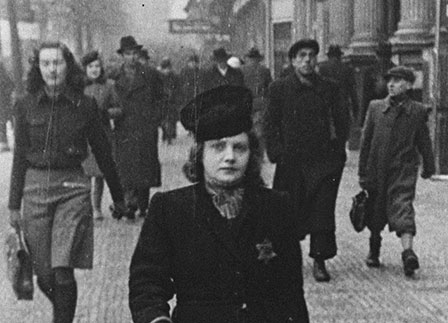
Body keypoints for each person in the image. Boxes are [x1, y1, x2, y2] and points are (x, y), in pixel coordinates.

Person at [129, 85, 309, 323]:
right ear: (199, 154)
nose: (230, 157)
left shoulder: (276, 207)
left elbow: (291, 293)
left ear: (252, 154)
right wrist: (157, 319)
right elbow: (146, 282)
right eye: (218, 147)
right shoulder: (170, 209)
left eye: (239, 147)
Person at [8, 42, 127, 323]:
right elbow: (19, 159)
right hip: (35, 189)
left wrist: (118, 195)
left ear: (68, 66)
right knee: (44, 274)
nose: (52, 69)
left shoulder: (85, 105)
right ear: (38, 68)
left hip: (72, 188)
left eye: (58, 63)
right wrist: (14, 205)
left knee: (62, 268)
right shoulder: (24, 105)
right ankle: (63, 313)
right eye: (46, 63)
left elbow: (102, 152)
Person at [264, 39, 350, 282]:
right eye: (301, 55)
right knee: (287, 211)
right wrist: (277, 153)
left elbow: (343, 120)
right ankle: (285, 260)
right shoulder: (279, 89)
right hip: (291, 162)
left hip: (324, 163)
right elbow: (270, 124)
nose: (307, 60)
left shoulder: (329, 88)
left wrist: (337, 153)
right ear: (292, 61)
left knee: (322, 212)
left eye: (312, 55)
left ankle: (319, 261)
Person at [358, 66, 435, 277]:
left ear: (409, 85)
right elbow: (366, 142)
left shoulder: (417, 111)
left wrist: (429, 166)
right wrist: (363, 172)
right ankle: (374, 249)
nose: (391, 84)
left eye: (398, 80)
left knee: (403, 208)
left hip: (403, 170)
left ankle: (408, 253)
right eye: (389, 80)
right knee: (375, 211)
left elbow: (424, 142)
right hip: (377, 169)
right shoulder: (375, 108)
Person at [113, 36, 164, 218]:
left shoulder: (150, 74)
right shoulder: (114, 76)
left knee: (145, 167)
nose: (132, 57)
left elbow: (161, 98)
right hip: (124, 128)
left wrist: (155, 118)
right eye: (128, 54)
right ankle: (129, 203)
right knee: (125, 167)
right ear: (122, 56)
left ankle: (143, 204)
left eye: (134, 53)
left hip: (145, 127)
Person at [81, 50, 123, 220]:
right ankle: (84, 208)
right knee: (83, 174)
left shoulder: (109, 86)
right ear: (85, 69)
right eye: (90, 66)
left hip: (102, 134)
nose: (94, 70)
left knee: (99, 173)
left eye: (97, 66)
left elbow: (119, 108)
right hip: (82, 136)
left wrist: (106, 113)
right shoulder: (78, 87)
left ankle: (96, 207)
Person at [318, 44, 359, 127]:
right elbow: (353, 93)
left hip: (326, 109)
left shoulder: (322, 68)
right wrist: (356, 113)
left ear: (329, 56)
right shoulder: (347, 69)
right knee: (342, 136)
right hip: (342, 108)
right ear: (339, 56)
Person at [240, 47, 272, 146]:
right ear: (258, 58)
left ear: (247, 58)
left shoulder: (241, 70)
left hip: (245, 104)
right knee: (259, 132)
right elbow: (270, 88)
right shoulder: (265, 70)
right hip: (261, 104)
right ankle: (259, 154)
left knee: (245, 131)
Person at [361, 40, 395, 126]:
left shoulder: (370, 71)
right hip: (385, 115)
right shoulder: (396, 71)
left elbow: (366, 98)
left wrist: (363, 121)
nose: (383, 59)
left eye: (385, 56)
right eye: (382, 56)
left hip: (382, 115)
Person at [157, 57, 180, 145]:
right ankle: (165, 135)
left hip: (172, 101)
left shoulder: (174, 76)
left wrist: (174, 95)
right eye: (164, 69)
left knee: (171, 120)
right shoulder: (158, 76)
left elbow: (178, 88)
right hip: (162, 101)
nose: (166, 71)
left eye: (168, 68)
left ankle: (170, 137)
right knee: (163, 120)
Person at [0, 61, 15, 152]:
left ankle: (4, 141)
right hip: (4, 99)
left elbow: (9, 83)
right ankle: (3, 141)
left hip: (4, 99)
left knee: (6, 119)